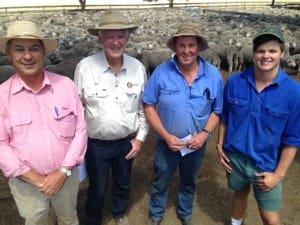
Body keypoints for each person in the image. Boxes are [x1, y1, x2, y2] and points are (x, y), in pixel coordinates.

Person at [0, 20, 87, 225]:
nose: (28, 56)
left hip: (66, 177)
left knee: (68, 217)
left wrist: (63, 171)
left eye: (34, 49)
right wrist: (36, 179)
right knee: (36, 219)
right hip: (27, 183)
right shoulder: (2, 96)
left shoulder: (65, 86)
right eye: (19, 49)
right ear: (9, 55)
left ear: (43, 53)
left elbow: (81, 130)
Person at [217, 27, 300, 225]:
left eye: (272, 51)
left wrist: (278, 175)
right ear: (253, 53)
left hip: (266, 167)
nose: (266, 56)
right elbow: (225, 117)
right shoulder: (235, 81)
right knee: (239, 193)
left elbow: (293, 139)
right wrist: (220, 145)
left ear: (282, 53)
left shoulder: (293, 93)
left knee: (270, 217)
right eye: (261, 51)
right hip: (235, 159)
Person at [142, 22, 224, 225]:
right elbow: (149, 105)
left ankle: (185, 213)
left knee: (189, 181)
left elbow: (218, 110)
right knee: (161, 179)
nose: (186, 51)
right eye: (182, 45)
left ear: (198, 47)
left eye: (191, 45)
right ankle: (157, 213)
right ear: (175, 47)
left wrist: (204, 134)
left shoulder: (213, 75)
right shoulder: (161, 72)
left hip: (196, 144)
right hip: (167, 143)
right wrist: (166, 135)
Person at [73, 10, 149, 225]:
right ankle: (94, 219)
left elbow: (144, 108)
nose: (115, 42)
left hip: (126, 142)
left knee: (123, 182)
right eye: (109, 36)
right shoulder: (85, 68)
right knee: (97, 186)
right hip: (96, 144)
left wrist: (140, 138)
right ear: (100, 38)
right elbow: (77, 109)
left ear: (128, 37)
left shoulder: (138, 68)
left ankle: (119, 213)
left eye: (120, 36)